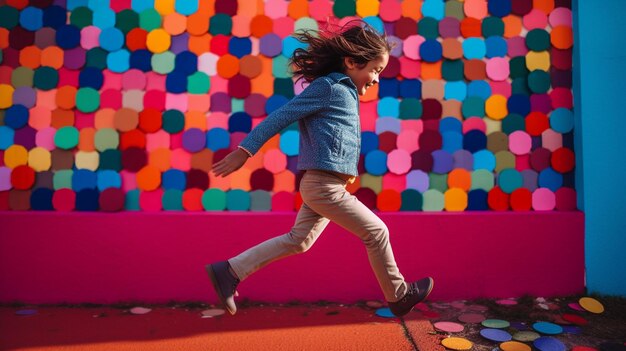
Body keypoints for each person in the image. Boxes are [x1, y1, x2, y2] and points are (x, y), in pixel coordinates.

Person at [206, 20, 433, 317]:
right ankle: (399, 295)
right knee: (376, 231)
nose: (376, 78)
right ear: (352, 61)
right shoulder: (330, 87)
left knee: (299, 241)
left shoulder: (346, 93)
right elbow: (282, 115)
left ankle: (229, 271)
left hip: (328, 185)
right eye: (375, 70)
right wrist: (245, 150)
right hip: (322, 185)